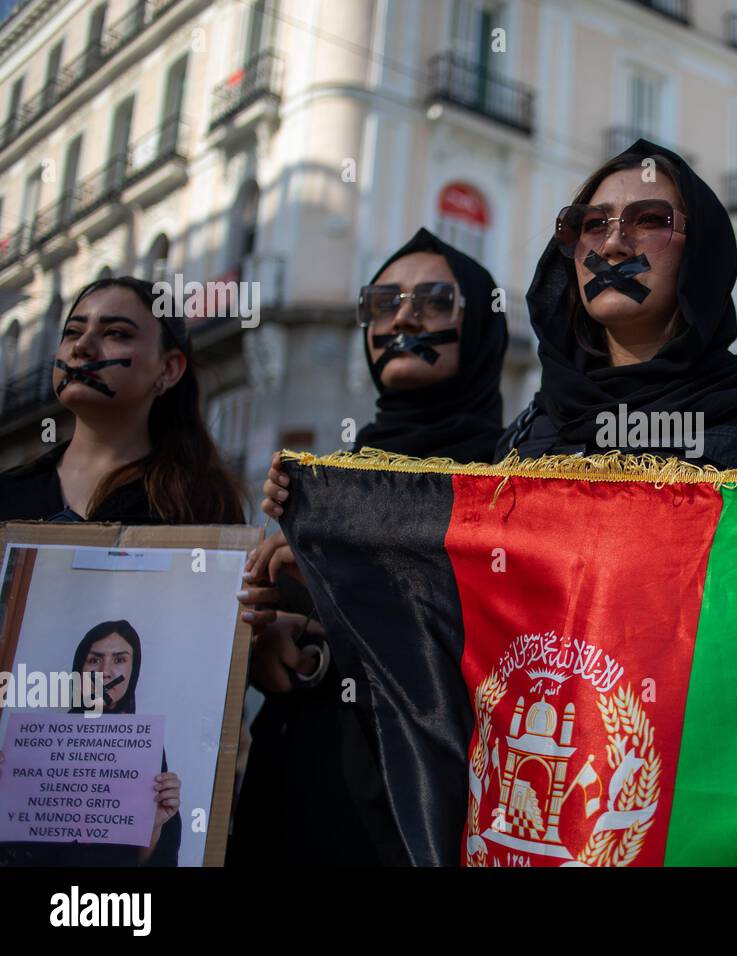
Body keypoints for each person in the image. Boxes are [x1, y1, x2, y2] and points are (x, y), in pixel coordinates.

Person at [231, 230, 507, 866]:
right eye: (383, 303)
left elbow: (496, 648)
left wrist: (347, 576)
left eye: (435, 301)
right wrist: (273, 643)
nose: (404, 317)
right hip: (299, 804)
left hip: (426, 820)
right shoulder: (326, 485)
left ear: (483, 328)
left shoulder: (510, 482)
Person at [497, 139, 737, 474]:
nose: (612, 245)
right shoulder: (531, 429)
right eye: (593, 225)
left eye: (648, 220)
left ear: (701, 255)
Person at [0, 276, 245, 524]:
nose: (82, 346)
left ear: (169, 369)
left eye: (115, 333)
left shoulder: (203, 504)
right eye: (73, 332)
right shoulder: (8, 493)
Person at [0, 620, 181, 866]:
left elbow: (153, 862)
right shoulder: (41, 743)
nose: (105, 671)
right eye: (94, 659)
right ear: (80, 668)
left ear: (134, 669)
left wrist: (154, 826)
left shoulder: (146, 750)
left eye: (119, 659)